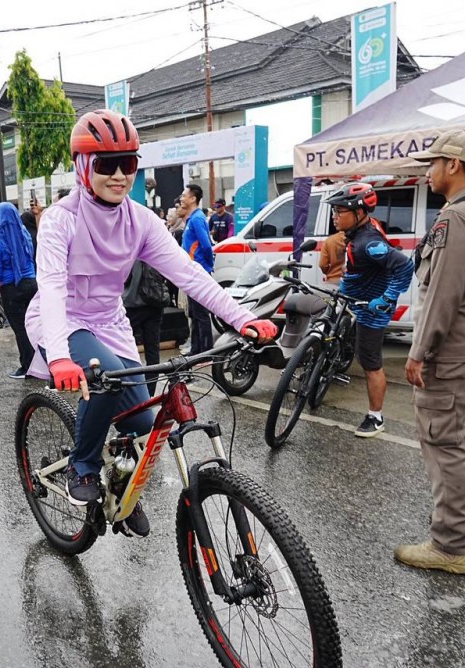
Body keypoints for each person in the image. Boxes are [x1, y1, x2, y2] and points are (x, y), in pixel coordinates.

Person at [24, 109, 277, 538]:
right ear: (83, 167)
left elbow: (189, 273)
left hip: (110, 323)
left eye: (129, 163)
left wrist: (244, 318)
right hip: (61, 321)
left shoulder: (140, 220)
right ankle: (82, 466)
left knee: (144, 425)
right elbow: (49, 285)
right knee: (109, 377)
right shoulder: (60, 219)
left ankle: (119, 489)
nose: (119, 175)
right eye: (106, 164)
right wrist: (61, 357)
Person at [398, 130, 465, 575]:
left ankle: (449, 544)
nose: (428, 171)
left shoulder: (455, 218)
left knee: (443, 442)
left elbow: (442, 294)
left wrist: (419, 352)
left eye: (434, 163)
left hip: (451, 346)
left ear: (453, 165)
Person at [326, 182, 413, 437]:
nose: (334, 217)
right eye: (334, 211)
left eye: (339, 211)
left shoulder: (368, 242)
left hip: (371, 308)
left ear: (359, 212)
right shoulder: (360, 231)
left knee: (369, 362)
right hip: (354, 295)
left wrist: (386, 298)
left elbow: (404, 267)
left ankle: (376, 417)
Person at [0, 202, 38, 380]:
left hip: (11, 289)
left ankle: (28, 367)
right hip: (32, 284)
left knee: (21, 329)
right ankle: (44, 362)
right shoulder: (24, 233)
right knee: (36, 326)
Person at [122, 260, 168, 395]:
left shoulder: (128, 248)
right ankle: (149, 393)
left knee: (123, 349)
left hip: (131, 305)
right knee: (152, 351)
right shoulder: (153, 248)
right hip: (154, 303)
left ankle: (129, 392)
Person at [180, 183, 215, 355]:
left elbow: (207, 246)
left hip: (198, 272)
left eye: (184, 195)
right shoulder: (191, 218)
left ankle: (207, 352)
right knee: (194, 313)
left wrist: (207, 266)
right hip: (190, 272)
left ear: (193, 199)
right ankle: (196, 350)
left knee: (201, 314)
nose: (182, 198)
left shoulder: (197, 219)